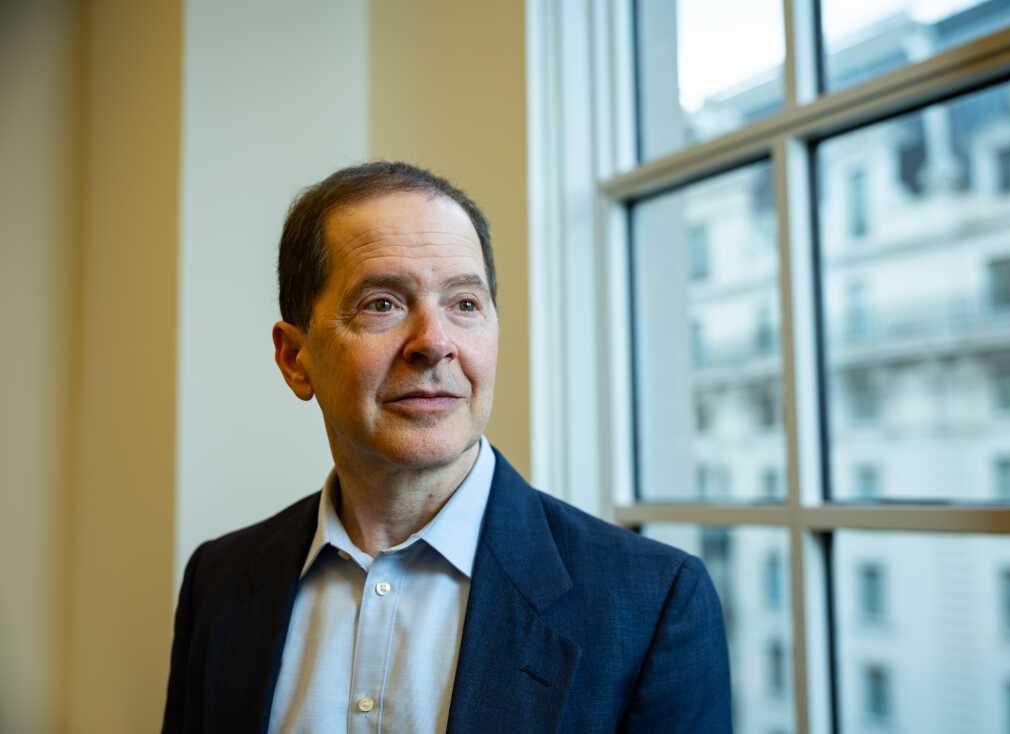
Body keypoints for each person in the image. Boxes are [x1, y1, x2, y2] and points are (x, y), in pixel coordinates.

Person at [161, 161, 731, 733]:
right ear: (295, 359)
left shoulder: (653, 604)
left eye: (464, 304)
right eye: (383, 303)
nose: (434, 344)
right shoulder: (221, 582)